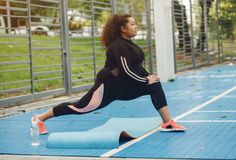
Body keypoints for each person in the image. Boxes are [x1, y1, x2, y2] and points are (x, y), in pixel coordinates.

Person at [31, 14, 186, 134]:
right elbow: (125, 70)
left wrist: (150, 77)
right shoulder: (118, 45)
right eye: (132, 24)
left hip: (125, 85)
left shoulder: (131, 45)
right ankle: (40, 118)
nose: (136, 26)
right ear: (123, 29)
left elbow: (136, 67)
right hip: (109, 86)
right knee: (79, 108)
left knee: (155, 85)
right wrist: (145, 81)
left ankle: (168, 123)